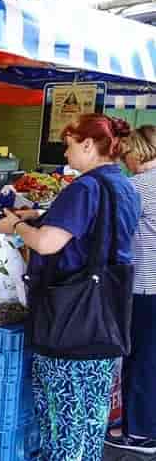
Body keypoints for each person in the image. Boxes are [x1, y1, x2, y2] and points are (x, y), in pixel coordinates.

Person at [0, 114, 141, 461]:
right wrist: (40, 216)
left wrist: (16, 226)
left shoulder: (85, 187)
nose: (66, 154)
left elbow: (46, 244)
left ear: (88, 145)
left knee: (63, 421)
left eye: (70, 145)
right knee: (88, 420)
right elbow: (95, 235)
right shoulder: (124, 185)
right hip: (106, 317)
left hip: (71, 319)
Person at [106, 125, 156, 454]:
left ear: (138, 151)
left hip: (144, 286)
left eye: (126, 154)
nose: (124, 161)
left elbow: (109, 225)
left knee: (140, 358)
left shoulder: (138, 186)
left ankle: (138, 434)